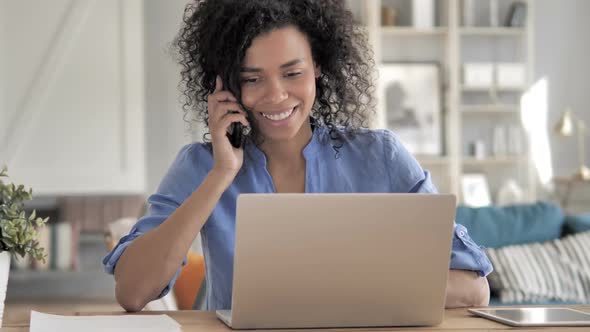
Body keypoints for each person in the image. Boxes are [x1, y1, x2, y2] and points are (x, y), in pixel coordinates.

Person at [103, 0, 493, 312]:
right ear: (224, 83)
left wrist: (342, 290)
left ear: (318, 66)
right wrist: (223, 173)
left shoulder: (380, 157)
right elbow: (133, 293)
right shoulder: (201, 166)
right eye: (252, 78)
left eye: (292, 73)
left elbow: (473, 288)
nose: (275, 96)